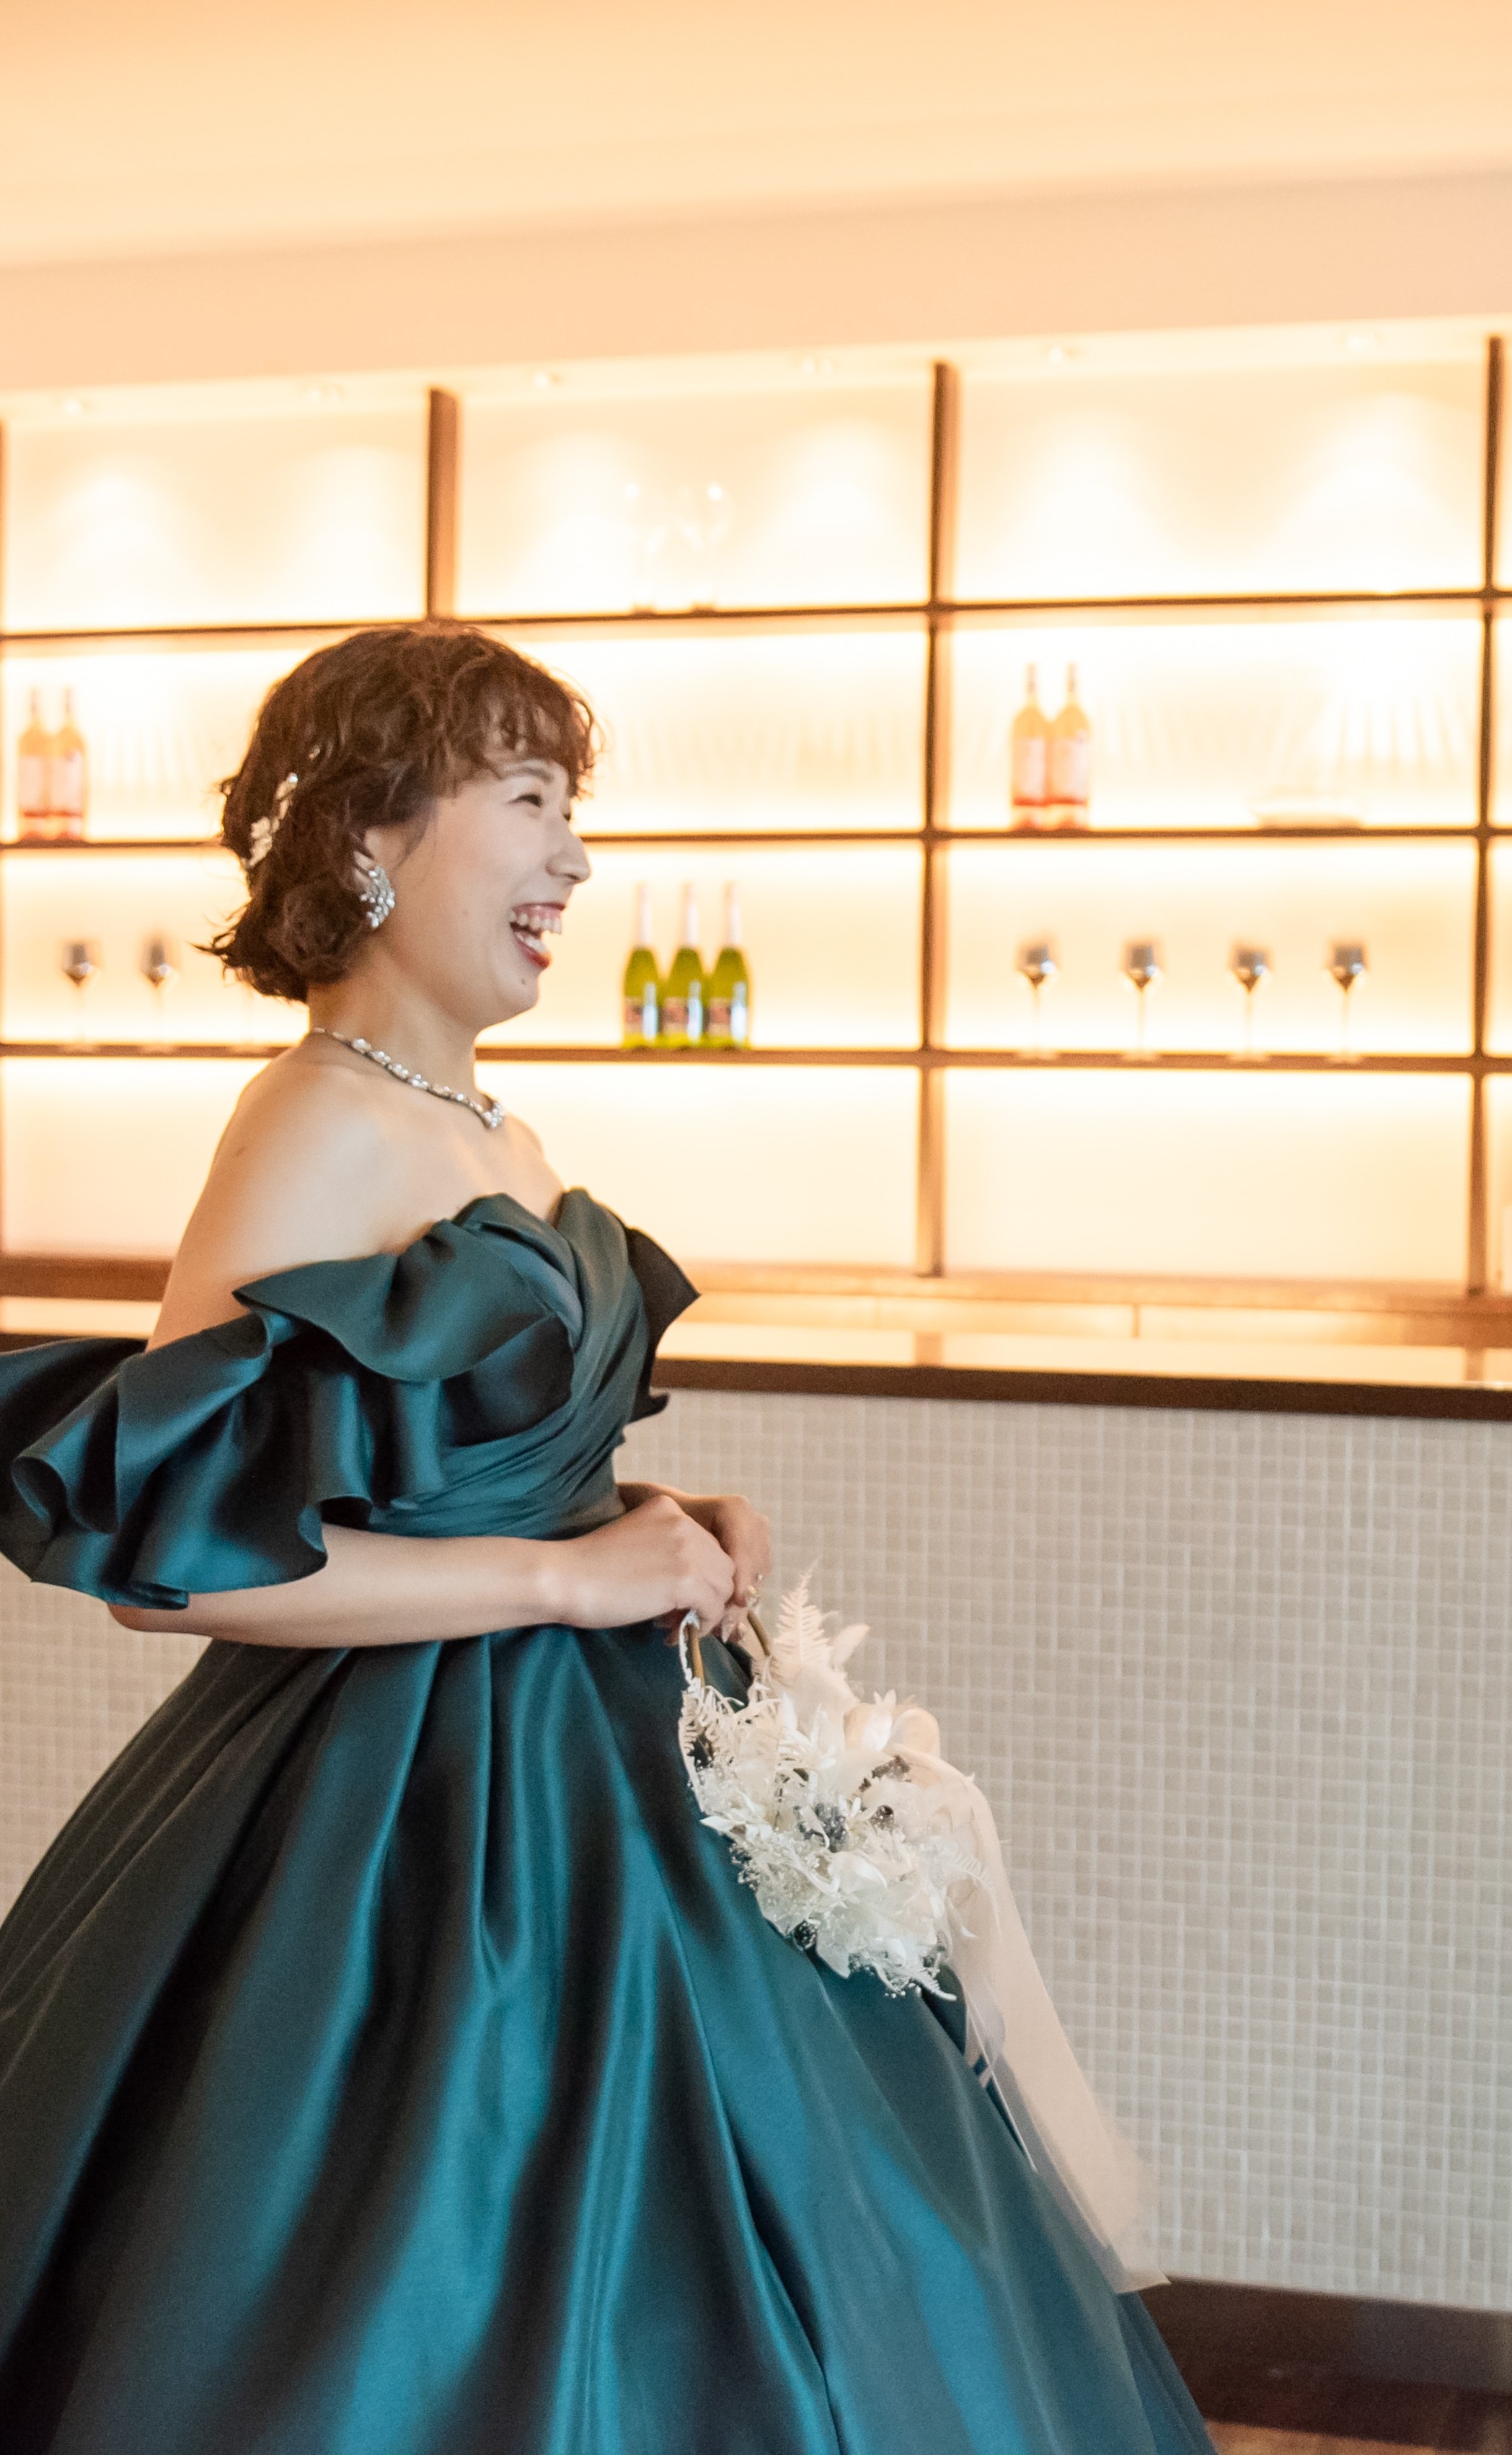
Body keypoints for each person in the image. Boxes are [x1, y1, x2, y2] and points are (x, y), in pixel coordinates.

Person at [0, 622, 1213, 2455]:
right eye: (529, 800)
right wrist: (568, 1574)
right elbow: (176, 1572)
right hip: (404, 1821)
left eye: (574, 807)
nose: (574, 857)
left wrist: (645, 1513)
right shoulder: (308, 1117)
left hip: (611, 1754)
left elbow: (440, 1463)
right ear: (370, 835)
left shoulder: (494, 1122)